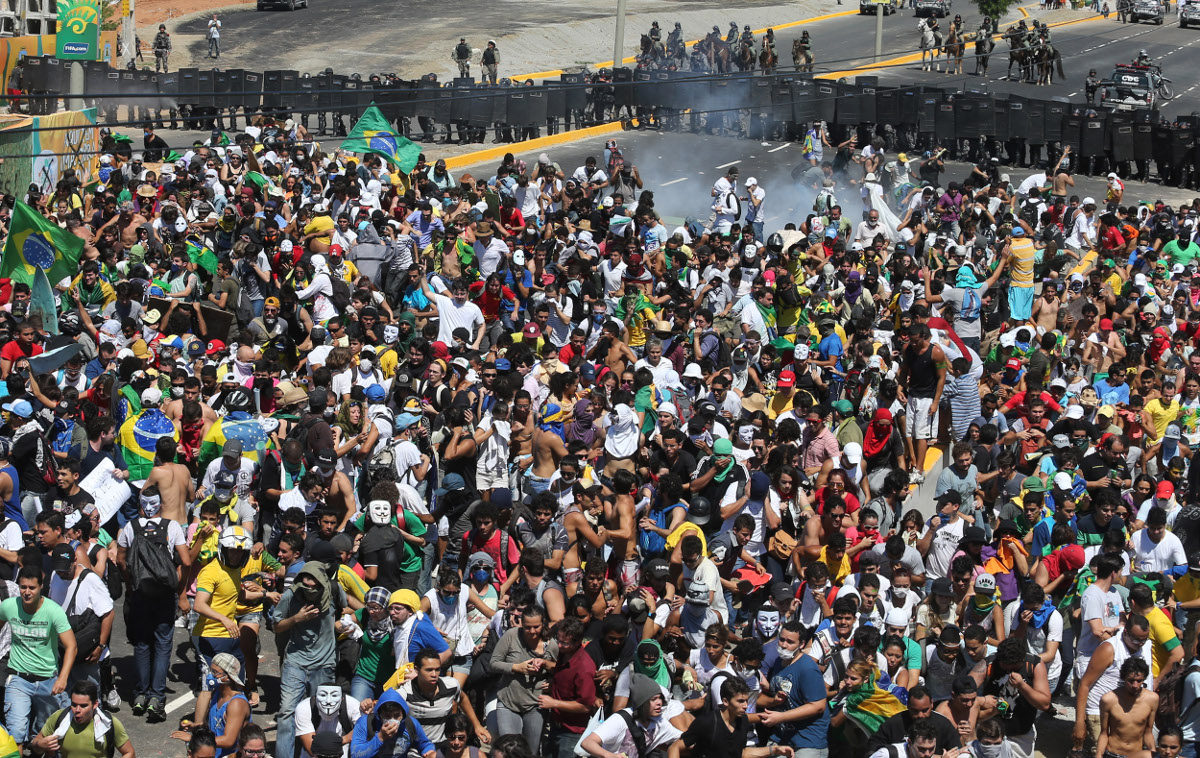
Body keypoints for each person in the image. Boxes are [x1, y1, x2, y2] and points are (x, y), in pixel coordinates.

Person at [0, 566, 77, 748]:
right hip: (18, 678)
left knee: (48, 736)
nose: (27, 592)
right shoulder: (9, 606)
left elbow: (71, 646)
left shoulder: (53, 611)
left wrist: (63, 678)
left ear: (41, 586)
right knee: (16, 734)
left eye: (32, 588)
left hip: (48, 680)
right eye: (23, 587)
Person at [31, 681, 133, 758]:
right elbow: (36, 743)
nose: (77, 710)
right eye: (74, 705)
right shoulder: (59, 718)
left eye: (83, 706)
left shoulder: (109, 723)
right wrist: (40, 745)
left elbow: (129, 753)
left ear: (95, 704)